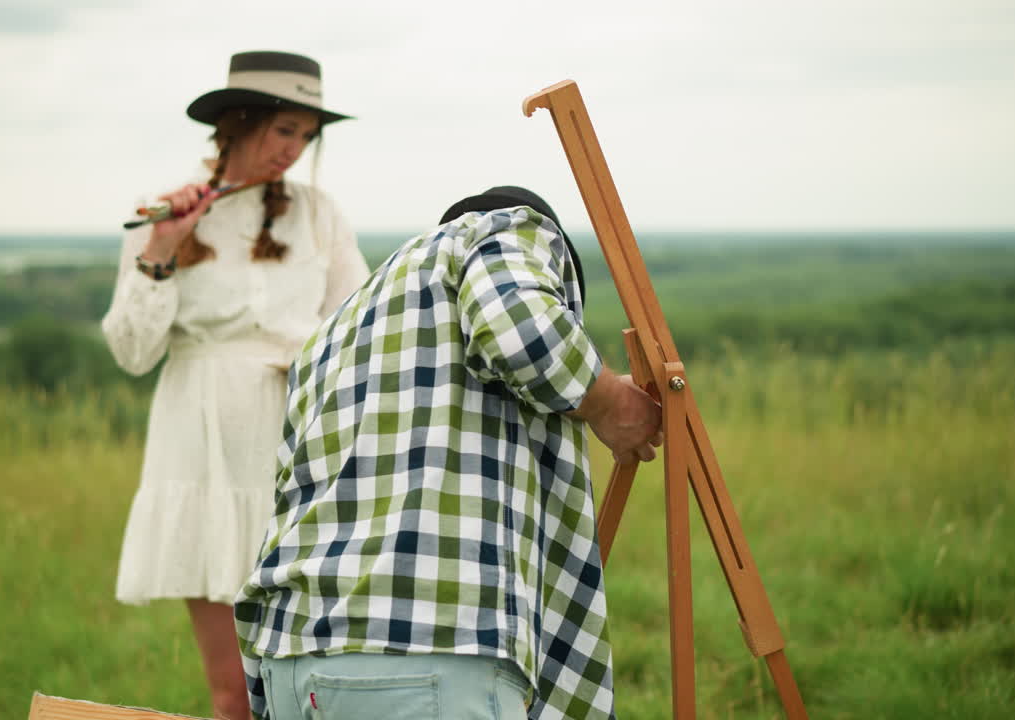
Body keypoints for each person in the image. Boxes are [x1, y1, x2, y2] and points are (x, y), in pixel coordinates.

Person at [234, 186, 663, 719]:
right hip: (428, 656)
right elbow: (522, 332)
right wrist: (606, 400)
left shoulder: (337, 331)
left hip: (290, 658)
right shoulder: (501, 232)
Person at [101, 50, 369, 720]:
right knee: (235, 696)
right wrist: (164, 246)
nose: (294, 149)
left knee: (314, 683)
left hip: (295, 442)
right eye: (284, 130)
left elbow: (357, 328)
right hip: (203, 446)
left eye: (306, 136)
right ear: (239, 122)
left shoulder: (319, 215)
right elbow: (133, 352)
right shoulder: (166, 212)